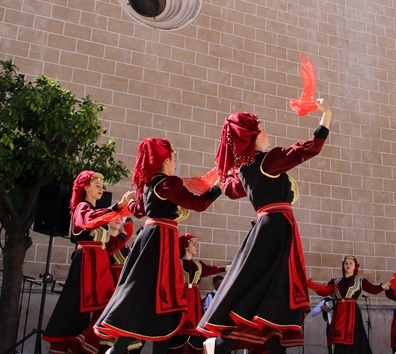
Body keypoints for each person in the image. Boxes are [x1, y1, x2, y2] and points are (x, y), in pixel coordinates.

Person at [197, 99, 332, 354]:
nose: (266, 132)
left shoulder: (246, 170)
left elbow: (232, 191)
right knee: (276, 291)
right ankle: (222, 344)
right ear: (253, 137)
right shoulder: (268, 161)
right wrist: (326, 115)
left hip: (266, 227)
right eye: (262, 129)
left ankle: (230, 343)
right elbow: (310, 147)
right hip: (276, 229)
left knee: (270, 293)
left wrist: (224, 176)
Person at [94, 139, 223, 354]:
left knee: (142, 293)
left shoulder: (150, 185)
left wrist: (131, 202)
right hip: (161, 239)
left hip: (148, 237)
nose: (175, 162)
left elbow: (138, 210)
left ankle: (118, 348)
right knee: (162, 293)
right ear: (165, 160)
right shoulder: (169, 183)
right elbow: (197, 204)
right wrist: (217, 188)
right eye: (174, 158)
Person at [43, 171, 135, 354]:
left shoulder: (96, 214)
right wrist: (118, 206)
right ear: (85, 187)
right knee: (95, 308)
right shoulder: (82, 208)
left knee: (107, 307)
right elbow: (89, 221)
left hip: (99, 265)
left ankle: (92, 344)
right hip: (87, 264)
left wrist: (125, 235)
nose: (101, 189)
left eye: (102, 186)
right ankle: (80, 345)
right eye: (97, 185)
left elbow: (108, 246)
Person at [307, 255, 389, 354]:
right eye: (346, 263)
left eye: (351, 263)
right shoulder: (335, 281)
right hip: (339, 313)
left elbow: (374, 289)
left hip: (352, 313)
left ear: (355, 267)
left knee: (352, 339)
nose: (348, 265)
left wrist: (389, 282)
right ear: (343, 266)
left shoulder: (360, 281)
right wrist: (311, 285)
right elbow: (324, 291)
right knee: (336, 338)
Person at [169, 234, 229, 354]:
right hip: (182, 298)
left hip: (194, 301)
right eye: (193, 243)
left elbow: (213, 269)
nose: (197, 246)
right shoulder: (177, 263)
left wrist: (227, 268)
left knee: (195, 326)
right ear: (185, 246)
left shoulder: (199, 265)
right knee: (180, 326)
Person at [106, 218, 134, 284]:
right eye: (114, 216)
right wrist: (123, 236)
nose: (118, 219)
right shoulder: (103, 242)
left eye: (121, 218)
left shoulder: (127, 248)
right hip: (108, 284)